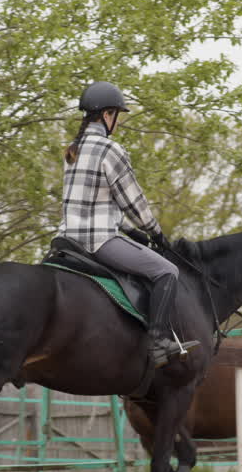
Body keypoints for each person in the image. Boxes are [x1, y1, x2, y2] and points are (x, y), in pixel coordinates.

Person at [60, 81, 199, 367]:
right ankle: (159, 341)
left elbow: (92, 202)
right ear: (107, 115)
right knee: (166, 271)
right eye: (117, 116)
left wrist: (128, 230)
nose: (118, 122)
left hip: (65, 239)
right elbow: (134, 202)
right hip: (97, 243)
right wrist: (155, 232)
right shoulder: (111, 150)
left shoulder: (71, 151)